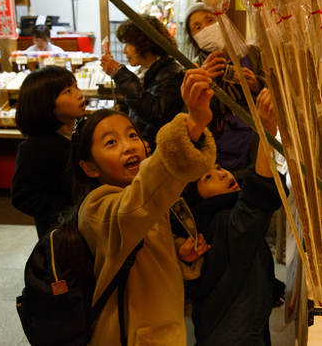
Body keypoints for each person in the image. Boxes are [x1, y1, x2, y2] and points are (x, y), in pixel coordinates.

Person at [68, 67, 216, 345]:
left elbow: (140, 241)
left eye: (132, 135)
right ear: (89, 167)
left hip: (158, 326)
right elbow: (135, 207)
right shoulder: (98, 207)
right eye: (111, 142)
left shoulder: (137, 194)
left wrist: (176, 250)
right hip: (131, 335)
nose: (128, 146)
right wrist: (192, 124)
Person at [174, 88, 285, 346]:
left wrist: (269, 284)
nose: (223, 174)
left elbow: (243, 260)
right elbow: (255, 204)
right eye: (208, 178)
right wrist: (265, 130)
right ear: (195, 199)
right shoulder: (221, 223)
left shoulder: (217, 218)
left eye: (219, 168)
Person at [184, 3, 267, 176]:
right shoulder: (193, 68)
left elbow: (274, 91)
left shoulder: (251, 53)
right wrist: (202, 82)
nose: (206, 29)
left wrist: (256, 85)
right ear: (193, 39)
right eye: (197, 27)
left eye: (210, 20)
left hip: (255, 144)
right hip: (215, 152)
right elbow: (189, 115)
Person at [11, 66, 86, 238]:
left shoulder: (84, 131)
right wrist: (73, 207)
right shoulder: (34, 148)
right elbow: (23, 197)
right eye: (68, 91)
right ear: (46, 103)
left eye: (76, 86)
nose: (79, 94)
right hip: (64, 235)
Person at [100, 15, 185, 150]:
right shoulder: (150, 70)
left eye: (128, 43)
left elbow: (157, 113)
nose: (124, 50)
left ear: (145, 43)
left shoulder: (169, 72)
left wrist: (119, 73)